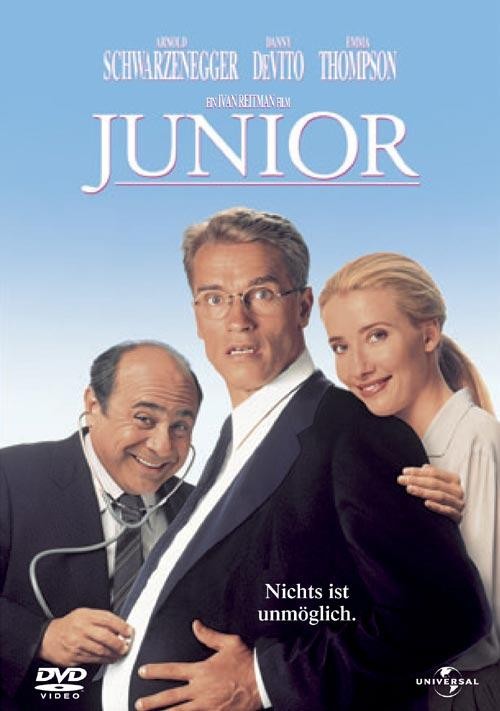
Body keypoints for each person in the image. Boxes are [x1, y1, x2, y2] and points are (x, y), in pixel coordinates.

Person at [102, 208, 489, 711]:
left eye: (261, 294)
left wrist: (263, 680)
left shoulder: (355, 431)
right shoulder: (235, 435)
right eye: (215, 298)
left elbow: (444, 615)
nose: (237, 320)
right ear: (197, 314)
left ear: (303, 307)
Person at [319, 251, 500, 710]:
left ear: (428, 333)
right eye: (340, 347)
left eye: (376, 336)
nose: (357, 367)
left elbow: (480, 634)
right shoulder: (371, 454)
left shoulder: (477, 440)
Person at [0, 340, 201, 711]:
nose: (162, 446)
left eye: (181, 426)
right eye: (144, 419)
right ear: (93, 405)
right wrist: (40, 637)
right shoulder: (9, 477)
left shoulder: (201, 506)